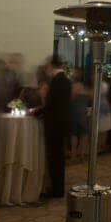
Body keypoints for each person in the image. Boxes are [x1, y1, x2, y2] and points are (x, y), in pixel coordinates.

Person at [42, 56, 70, 199]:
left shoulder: (57, 81)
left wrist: (36, 112)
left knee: (55, 159)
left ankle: (56, 190)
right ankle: (57, 188)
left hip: (55, 125)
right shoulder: (64, 80)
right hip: (60, 124)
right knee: (57, 158)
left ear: (52, 66)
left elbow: (51, 105)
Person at [69, 71, 90, 163]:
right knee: (84, 135)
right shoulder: (85, 88)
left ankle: (73, 156)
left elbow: (71, 99)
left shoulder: (73, 87)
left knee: (74, 135)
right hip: (83, 113)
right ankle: (82, 155)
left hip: (74, 112)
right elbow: (89, 100)